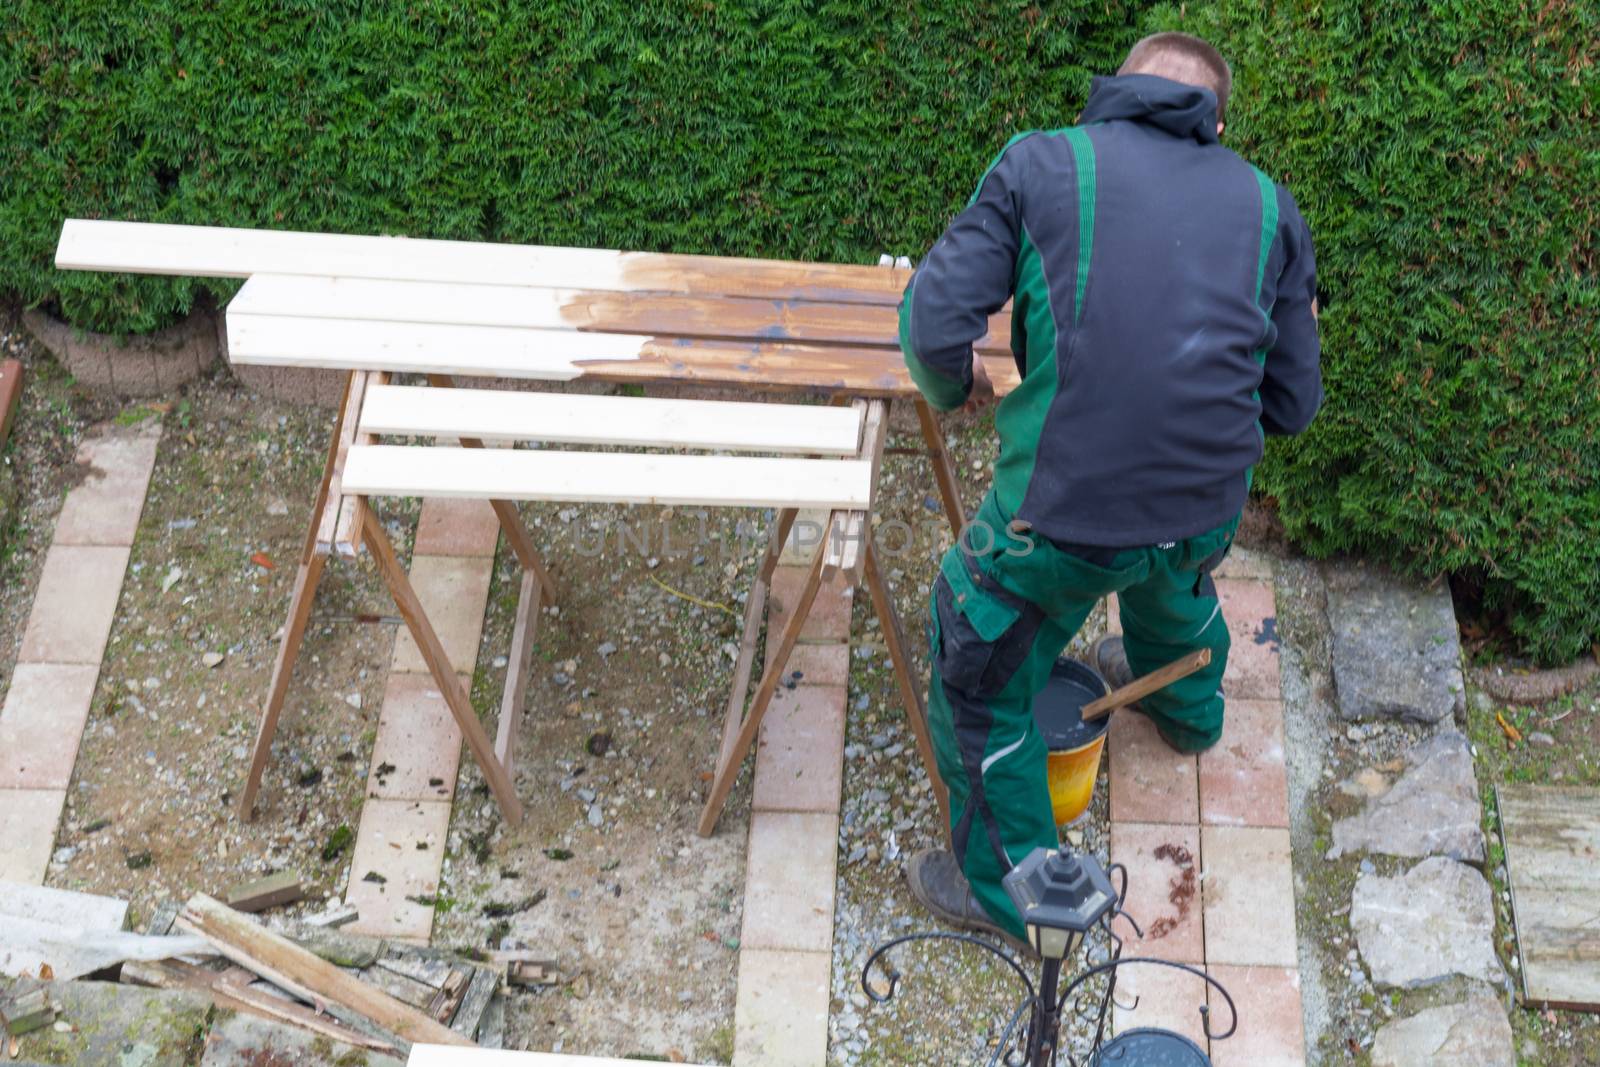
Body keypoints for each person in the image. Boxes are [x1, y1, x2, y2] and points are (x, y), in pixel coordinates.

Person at [898, 32, 1322, 947]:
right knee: (1174, 576)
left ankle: (1009, 894)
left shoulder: (1039, 164)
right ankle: (1188, 711)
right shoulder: (1270, 207)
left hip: (1061, 520)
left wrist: (958, 386)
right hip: (1203, 507)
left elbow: (933, 328)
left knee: (977, 655)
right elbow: (1293, 402)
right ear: (1217, 121)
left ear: (1117, 90)